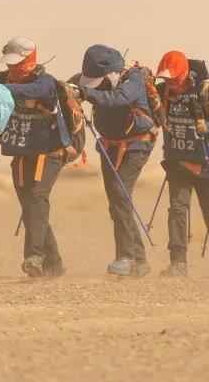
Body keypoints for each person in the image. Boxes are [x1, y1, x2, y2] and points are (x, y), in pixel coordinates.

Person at [72, 44, 158, 278]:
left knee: (120, 193)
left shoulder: (133, 79)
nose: (95, 86)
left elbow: (119, 98)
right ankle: (140, 262)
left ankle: (125, 257)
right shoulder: (88, 79)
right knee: (118, 203)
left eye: (98, 82)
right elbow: (72, 87)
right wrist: (66, 89)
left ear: (111, 74)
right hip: (109, 145)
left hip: (137, 145)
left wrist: (85, 93)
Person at [153, 51, 209, 277]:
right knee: (177, 211)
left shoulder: (207, 92)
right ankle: (178, 264)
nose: (170, 82)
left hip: (208, 164)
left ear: (185, 73)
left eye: (173, 78)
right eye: (166, 78)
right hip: (178, 164)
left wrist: (208, 127)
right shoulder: (162, 93)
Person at [0, 37, 67, 279]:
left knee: (36, 198)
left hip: (49, 153)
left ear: (30, 61)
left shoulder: (45, 83)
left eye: (18, 63)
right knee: (31, 207)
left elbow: (32, 91)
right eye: (9, 64)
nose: (12, 68)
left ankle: (34, 256)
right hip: (22, 154)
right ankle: (54, 263)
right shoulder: (0, 80)